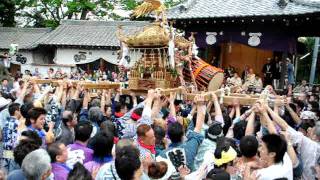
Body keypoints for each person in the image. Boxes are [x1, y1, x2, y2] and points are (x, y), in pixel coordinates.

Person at [1, 103, 22, 172]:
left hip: (5, 150)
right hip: (13, 151)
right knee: (11, 170)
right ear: (16, 112)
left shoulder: (6, 122)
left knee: (6, 170)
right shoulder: (17, 123)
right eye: (20, 110)